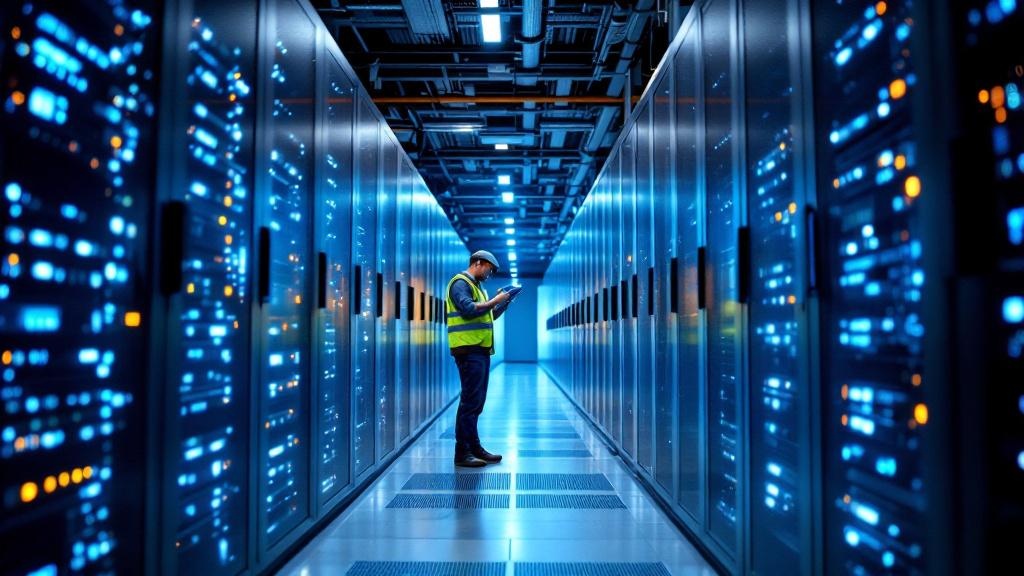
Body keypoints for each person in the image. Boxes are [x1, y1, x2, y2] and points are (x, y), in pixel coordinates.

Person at [445, 250, 512, 467]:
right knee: (469, 402)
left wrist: (504, 303)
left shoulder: (477, 287)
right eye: (489, 269)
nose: (490, 274)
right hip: (468, 350)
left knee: (476, 402)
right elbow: (468, 309)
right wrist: (495, 300)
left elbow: (487, 315)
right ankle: (462, 453)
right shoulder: (460, 283)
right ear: (478, 263)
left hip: (479, 350)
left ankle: (474, 447)